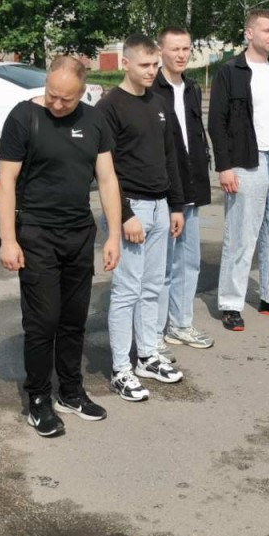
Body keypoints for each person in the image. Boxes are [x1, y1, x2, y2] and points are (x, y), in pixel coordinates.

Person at [0, 56, 121, 437]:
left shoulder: (94, 120)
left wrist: (113, 235)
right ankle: (38, 399)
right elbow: (6, 181)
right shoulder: (23, 117)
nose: (57, 103)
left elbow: (107, 179)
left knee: (73, 318)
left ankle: (70, 390)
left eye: (67, 98)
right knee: (43, 320)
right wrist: (8, 240)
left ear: (82, 93)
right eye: (52, 93)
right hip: (36, 233)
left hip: (79, 233)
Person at [98, 35, 186, 401]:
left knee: (152, 288)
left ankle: (147, 356)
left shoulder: (160, 103)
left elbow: (170, 158)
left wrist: (176, 205)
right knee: (127, 292)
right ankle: (121, 368)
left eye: (155, 65)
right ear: (126, 64)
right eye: (145, 65)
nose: (152, 72)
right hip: (130, 209)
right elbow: (105, 170)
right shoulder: (109, 107)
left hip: (161, 206)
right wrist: (125, 215)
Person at [208, 9, 269, 332]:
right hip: (245, 163)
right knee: (241, 236)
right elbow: (217, 123)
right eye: (267, 30)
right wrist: (224, 167)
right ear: (249, 33)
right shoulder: (229, 72)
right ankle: (230, 304)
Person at [153, 26, 214, 351]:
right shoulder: (151, 89)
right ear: (160, 51)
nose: (181, 55)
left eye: (186, 49)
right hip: (164, 190)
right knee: (162, 266)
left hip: (192, 185)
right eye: (174, 48)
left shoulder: (192, 88)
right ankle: (154, 334)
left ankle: (180, 324)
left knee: (189, 262)